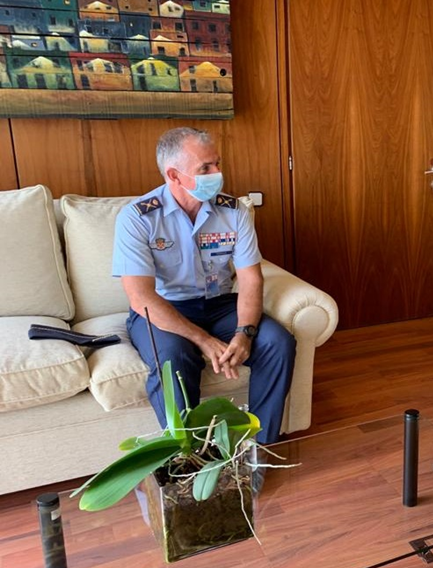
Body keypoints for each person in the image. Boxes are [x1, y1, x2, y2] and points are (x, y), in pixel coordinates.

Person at [112, 127, 295, 445]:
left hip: (219, 303)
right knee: (173, 358)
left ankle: (260, 449)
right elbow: (140, 296)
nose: (217, 174)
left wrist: (245, 333)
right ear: (174, 175)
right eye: (205, 168)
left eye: (217, 164)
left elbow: (251, 278)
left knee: (277, 342)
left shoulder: (234, 211)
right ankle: (190, 458)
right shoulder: (138, 218)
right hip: (163, 310)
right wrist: (204, 341)